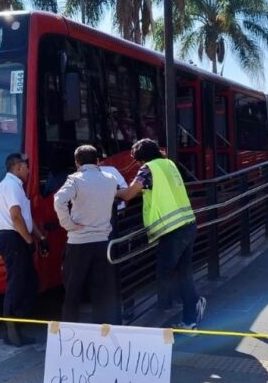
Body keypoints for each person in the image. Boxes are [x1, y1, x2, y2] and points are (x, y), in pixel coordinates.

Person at [116, 138, 207, 330]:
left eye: (137, 160)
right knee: (182, 272)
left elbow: (128, 194)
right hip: (187, 223)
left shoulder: (148, 169)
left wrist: (111, 191)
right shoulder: (168, 163)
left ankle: (186, 309)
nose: (138, 164)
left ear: (142, 158)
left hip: (172, 230)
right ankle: (191, 317)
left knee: (165, 273)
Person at [54, 145, 121, 324]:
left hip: (78, 242)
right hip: (102, 243)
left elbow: (59, 200)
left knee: (73, 291)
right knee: (100, 291)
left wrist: (68, 224)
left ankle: (69, 330)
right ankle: (101, 332)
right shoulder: (110, 178)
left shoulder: (75, 180)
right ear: (98, 161)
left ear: (77, 163)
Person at [0, 153, 48, 346]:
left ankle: (16, 326)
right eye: (26, 166)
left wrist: (40, 236)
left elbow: (26, 217)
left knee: (29, 282)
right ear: (17, 167)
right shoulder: (10, 186)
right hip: (13, 238)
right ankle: (12, 331)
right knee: (17, 284)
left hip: (17, 237)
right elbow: (16, 217)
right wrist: (28, 241)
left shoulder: (16, 186)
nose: (28, 169)